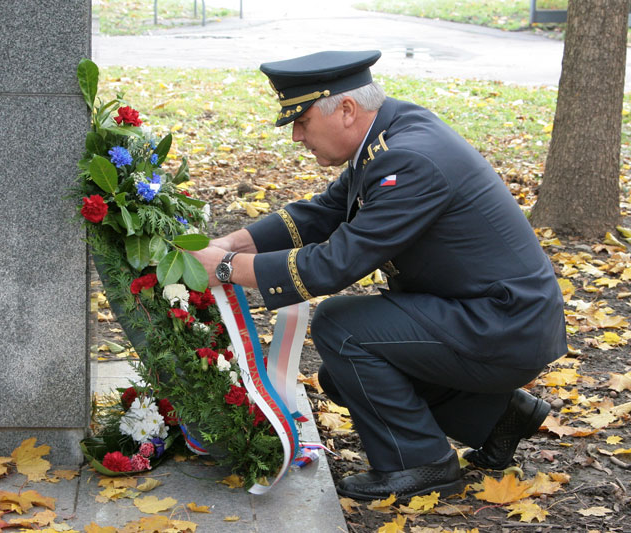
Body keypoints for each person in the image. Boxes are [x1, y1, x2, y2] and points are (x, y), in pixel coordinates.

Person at [190, 50, 567, 500]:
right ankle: (498, 417)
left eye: (302, 121)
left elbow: (336, 264)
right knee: (340, 376)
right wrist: (232, 244)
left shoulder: (409, 158)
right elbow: (324, 212)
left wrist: (229, 270)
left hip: (501, 325)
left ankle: (422, 465)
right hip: (486, 314)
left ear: (346, 110)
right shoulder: (391, 134)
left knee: (341, 326)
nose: (296, 136)